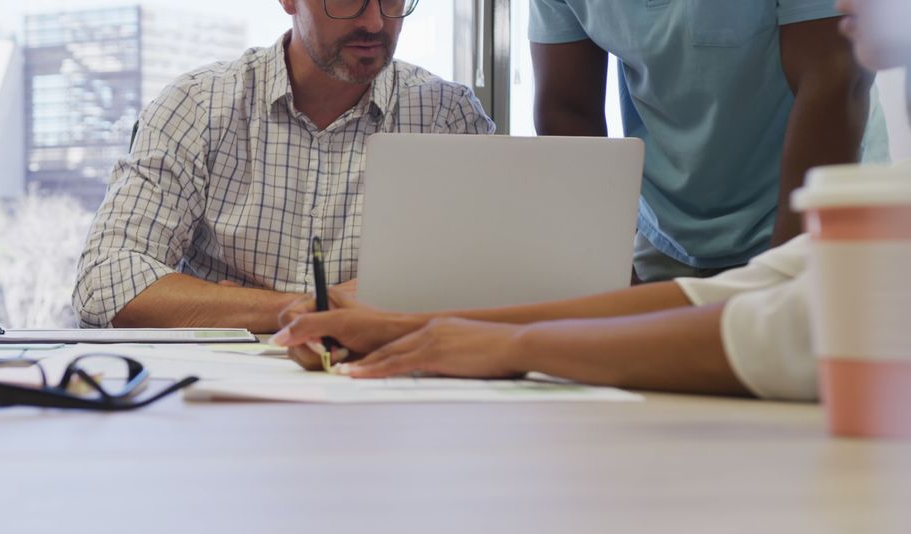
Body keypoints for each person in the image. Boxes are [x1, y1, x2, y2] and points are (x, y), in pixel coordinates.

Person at [271, 0, 910, 402]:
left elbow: (780, 325)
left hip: (811, 215)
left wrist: (515, 345)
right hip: (681, 238)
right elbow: (736, 301)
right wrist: (408, 329)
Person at [73, 0, 494, 332]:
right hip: (220, 398)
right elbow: (105, 285)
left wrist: (232, 306)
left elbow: (495, 282)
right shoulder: (198, 106)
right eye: (346, 0)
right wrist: (312, 309)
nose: (374, 22)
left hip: (389, 390)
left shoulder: (446, 116)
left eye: (392, 0)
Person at [528, 0, 886, 283]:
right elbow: (566, 109)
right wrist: (606, 267)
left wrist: (783, 274)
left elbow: (833, 79)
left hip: (814, 219)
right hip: (667, 235)